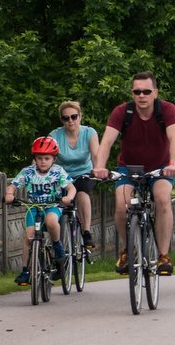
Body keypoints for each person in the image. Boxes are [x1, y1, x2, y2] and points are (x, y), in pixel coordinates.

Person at [93, 71, 175, 276]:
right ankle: (127, 249)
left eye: (146, 91)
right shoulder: (122, 112)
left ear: (155, 93)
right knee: (122, 206)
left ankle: (163, 256)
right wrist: (100, 166)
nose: (142, 95)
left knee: (162, 199)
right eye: (137, 91)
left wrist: (173, 163)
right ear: (132, 94)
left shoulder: (167, 110)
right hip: (128, 168)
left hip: (160, 167)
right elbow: (106, 142)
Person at [5, 137, 76, 285]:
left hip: (52, 206)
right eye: (39, 158)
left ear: (53, 159)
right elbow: (13, 185)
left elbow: (71, 188)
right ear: (35, 159)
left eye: (47, 158)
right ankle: (25, 270)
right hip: (33, 208)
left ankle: (57, 245)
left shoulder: (58, 172)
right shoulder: (28, 172)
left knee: (51, 221)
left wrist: (68, 197)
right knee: (28, 237)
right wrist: (10, 194)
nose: (43, 161)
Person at [49, 101, 99, 249]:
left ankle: (86, 231)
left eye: (74, 116)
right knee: (53, 203)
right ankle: (55, 243)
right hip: (62, 177)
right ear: (61, 120)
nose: (70, 120)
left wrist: (98, 170)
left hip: (83, 174)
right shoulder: (55, 135)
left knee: (82, 194)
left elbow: (95, 155)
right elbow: (48, 157)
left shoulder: (90, 133)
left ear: (80, 117)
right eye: (66, 118)